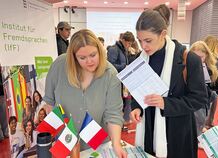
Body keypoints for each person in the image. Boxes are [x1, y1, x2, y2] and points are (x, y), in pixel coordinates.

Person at [130, 9, 207, 158]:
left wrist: (166, 104)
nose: (143, 46)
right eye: (140, 41)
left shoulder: (189, 59)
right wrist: (136, 107)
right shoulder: (140, 60)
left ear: (163, 34)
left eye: (148, 40)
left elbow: (199, 99)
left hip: (177, 133)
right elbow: (138, 92)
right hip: (148, 128)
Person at [43, 29, 127, 158]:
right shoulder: (60, 65)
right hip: (65, 143)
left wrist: (116, 143)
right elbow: (49, 103)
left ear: (100, 50)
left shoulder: (110, 73)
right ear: (73, 57)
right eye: (82, 58)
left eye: (93, 55)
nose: (89, 61)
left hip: (96, 143)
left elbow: (113, 113)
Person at [190, 41, 218, 135]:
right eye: (195, 57)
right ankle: (198, 134)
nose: (198, 60)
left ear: (206, 55)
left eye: (201, 57)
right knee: (199, 113)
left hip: (207, 94)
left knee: (213, 97)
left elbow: (214, 85)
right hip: (195, 97)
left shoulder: (210, 67)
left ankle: (205, 125)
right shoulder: (187, 65)